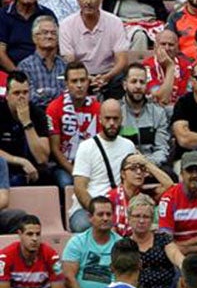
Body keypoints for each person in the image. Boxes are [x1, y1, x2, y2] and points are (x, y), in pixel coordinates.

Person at [68, 99, 136, 233]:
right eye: (108, 118)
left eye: (116, 119)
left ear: (122, 119)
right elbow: (80, 188)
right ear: (100, 119)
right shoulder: (85, 147)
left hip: (119, 206)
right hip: (88, 208)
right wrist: (98, 213)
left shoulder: (129, 146)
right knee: (83, 226)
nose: (112, 123)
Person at [0, 213, 71, 288]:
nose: (34, 239)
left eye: (38, 234)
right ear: (20, 234)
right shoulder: (5, 256)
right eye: (29, 234)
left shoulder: (51, 256)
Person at [58, 0, 129, 98]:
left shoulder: (115, 22)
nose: (88, 2)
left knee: (121, 79)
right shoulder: (66, 25)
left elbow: (122, 60)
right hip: (80, 74)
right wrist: (88, 77)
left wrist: (106, 77)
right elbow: (69, 61)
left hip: (110, 74)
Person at [63, 196, 122, 288]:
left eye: (108, 214)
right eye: (100, 214)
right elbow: (69, 277)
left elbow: (124, 278)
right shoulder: (77, 242)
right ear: (90, 217)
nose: (105, 218)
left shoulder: (121, 244)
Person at [47, 62, 100, 194]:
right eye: (74, 81)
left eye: (83, 80)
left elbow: (101, 143)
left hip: (93, 165)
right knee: (66, 183)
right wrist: (76, 172)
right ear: (66, 84)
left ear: (88, 82)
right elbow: (55, 149)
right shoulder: (54, 108)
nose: (79, 85)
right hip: (65, 166)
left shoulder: (97, 107)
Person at [126, 195, 175, 288]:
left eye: (146, 217)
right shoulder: (124, 244)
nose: (141, 221)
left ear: (152, 219)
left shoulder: (163, 239)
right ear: (129, 218)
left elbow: (177, 257)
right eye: (137, 216)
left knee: (184, 274)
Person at [0, 71, 52, 187]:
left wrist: (27, 123)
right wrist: (20, 161)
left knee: (48, 176)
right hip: (6, 166)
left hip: (33, 170)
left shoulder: (38, 114)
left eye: (25, 92)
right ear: (7, 95)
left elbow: (42, 158)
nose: (21, 97)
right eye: (16, 93)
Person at [120, 63, 170, 168]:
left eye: (142, 82)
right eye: (134, 81)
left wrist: (148, 164)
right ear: (125, 85)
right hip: (124, 167)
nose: (138, 86)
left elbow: (162, 148)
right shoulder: (117, 112)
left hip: (152, 166)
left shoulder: (158, 113)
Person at [0, 0, 57, 72]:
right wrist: (19, 76)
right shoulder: (3, 15)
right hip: (10, 73)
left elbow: (55, 48)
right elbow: (0, 53)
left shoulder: (47, 14)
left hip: (42, 72)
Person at [16, 15, 66, 109]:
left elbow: (69, 96)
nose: (49, 36)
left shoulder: (65, 66)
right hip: (36, 116)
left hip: (61, 116)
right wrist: (58, 93)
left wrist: (42, 92)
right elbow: (29, 97)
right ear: (34, 37)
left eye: (53, 33)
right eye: (45, 32)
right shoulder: (25, 66)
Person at [144, 29, 192, 113]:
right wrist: (170, 67)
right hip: (154, 111)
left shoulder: (186, 66)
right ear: (155, 47)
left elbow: (186, 96)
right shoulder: (147, 66)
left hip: (181, 110)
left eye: (171, 45)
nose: (167, 48)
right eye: (163, 44)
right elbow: (162, 99)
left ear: (177, 48)